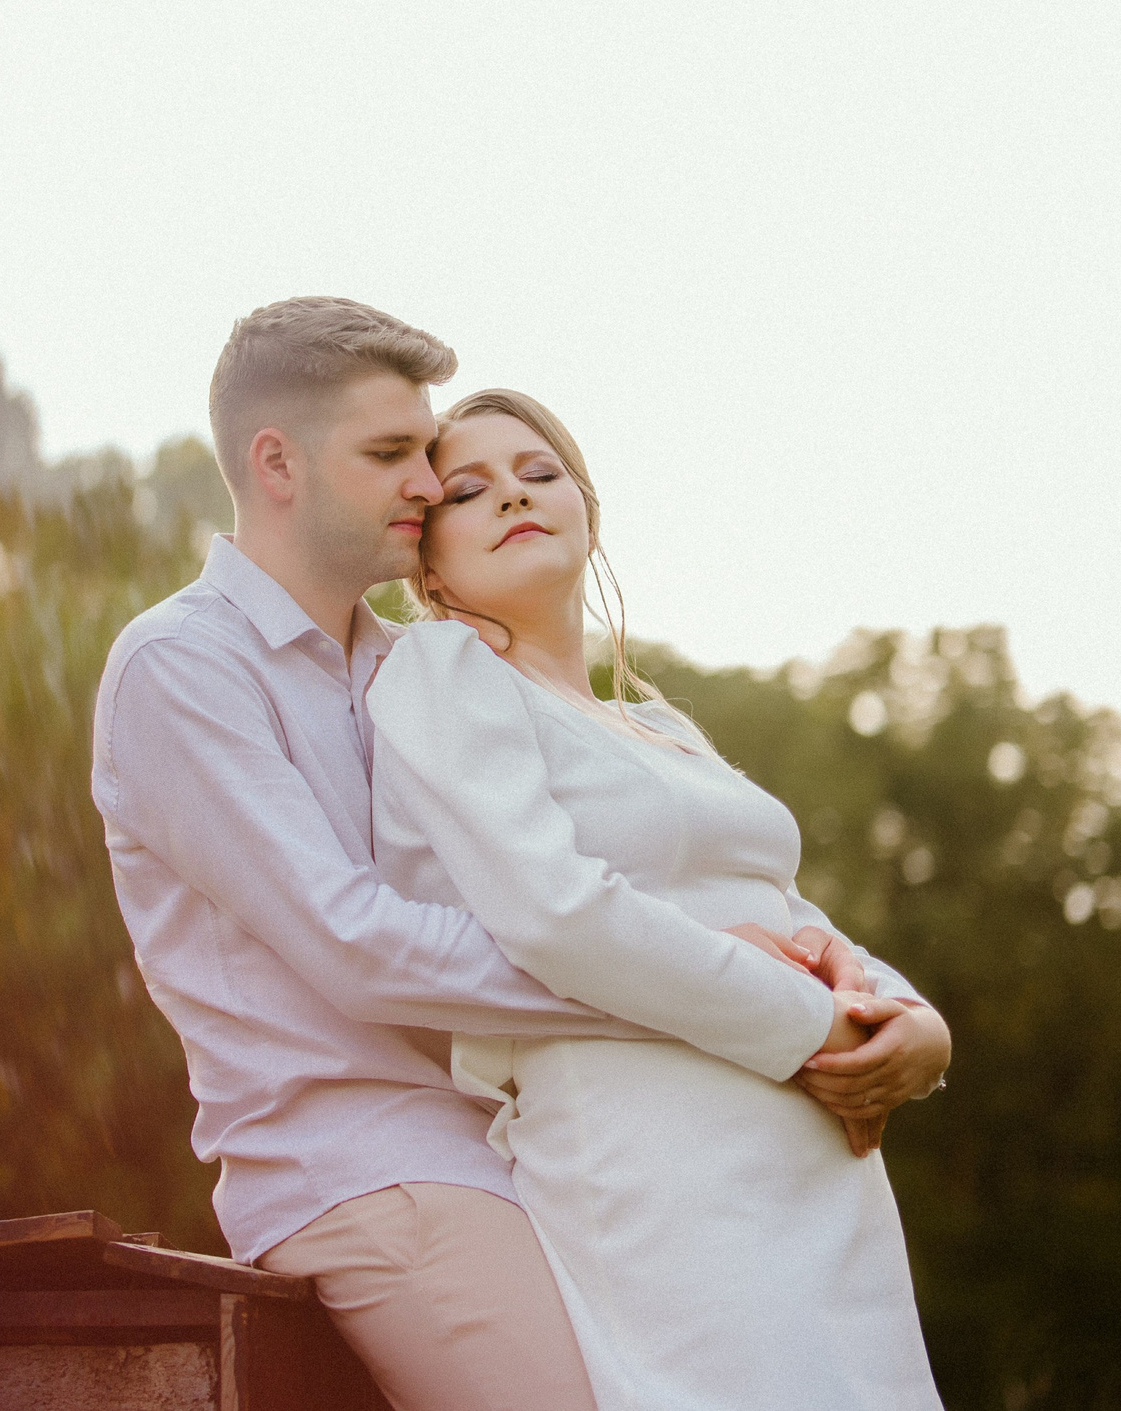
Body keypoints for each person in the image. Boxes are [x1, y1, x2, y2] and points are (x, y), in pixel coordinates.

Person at [91, 297, 946, 1411]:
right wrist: (738, 1003)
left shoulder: (414, 664)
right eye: (393, 454)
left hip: (509, 1141)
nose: (423, 481)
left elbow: (709, 896)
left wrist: (894, 1017)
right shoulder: (181, 667)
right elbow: (359, 945)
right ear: (276, 463)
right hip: (364, 1162)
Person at [363, 387, 948, 1407]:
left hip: (820, 1167)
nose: (512, 495)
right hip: (655, 1155)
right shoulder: (443, 670)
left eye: (539, 475)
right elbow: (555, 913)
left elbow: (786, 911)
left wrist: (914, 1028)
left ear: (588, 515)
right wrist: (817, 1029)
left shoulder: (663, 725)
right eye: (470, 490)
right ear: (427, 557)